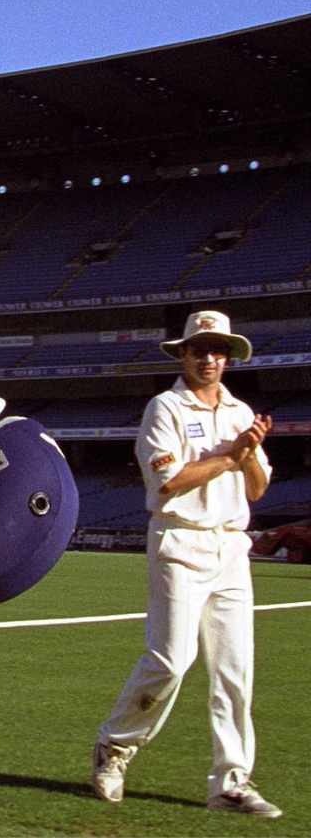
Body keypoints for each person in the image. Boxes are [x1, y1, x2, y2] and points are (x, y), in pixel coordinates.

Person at [92, 311, 281, 818]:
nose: (209, 358)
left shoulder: (241, 412)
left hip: (230, 547)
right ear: (183, 354)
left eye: (218, 349)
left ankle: (231, 782)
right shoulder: (165, 409)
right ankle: (115, 746)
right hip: (180, 543)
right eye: (200, 349)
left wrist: (245, 456)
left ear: (229, 355)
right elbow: (169, 482)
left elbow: (258, 489)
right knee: (171, 660)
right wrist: (230, 455)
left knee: (235, 670)